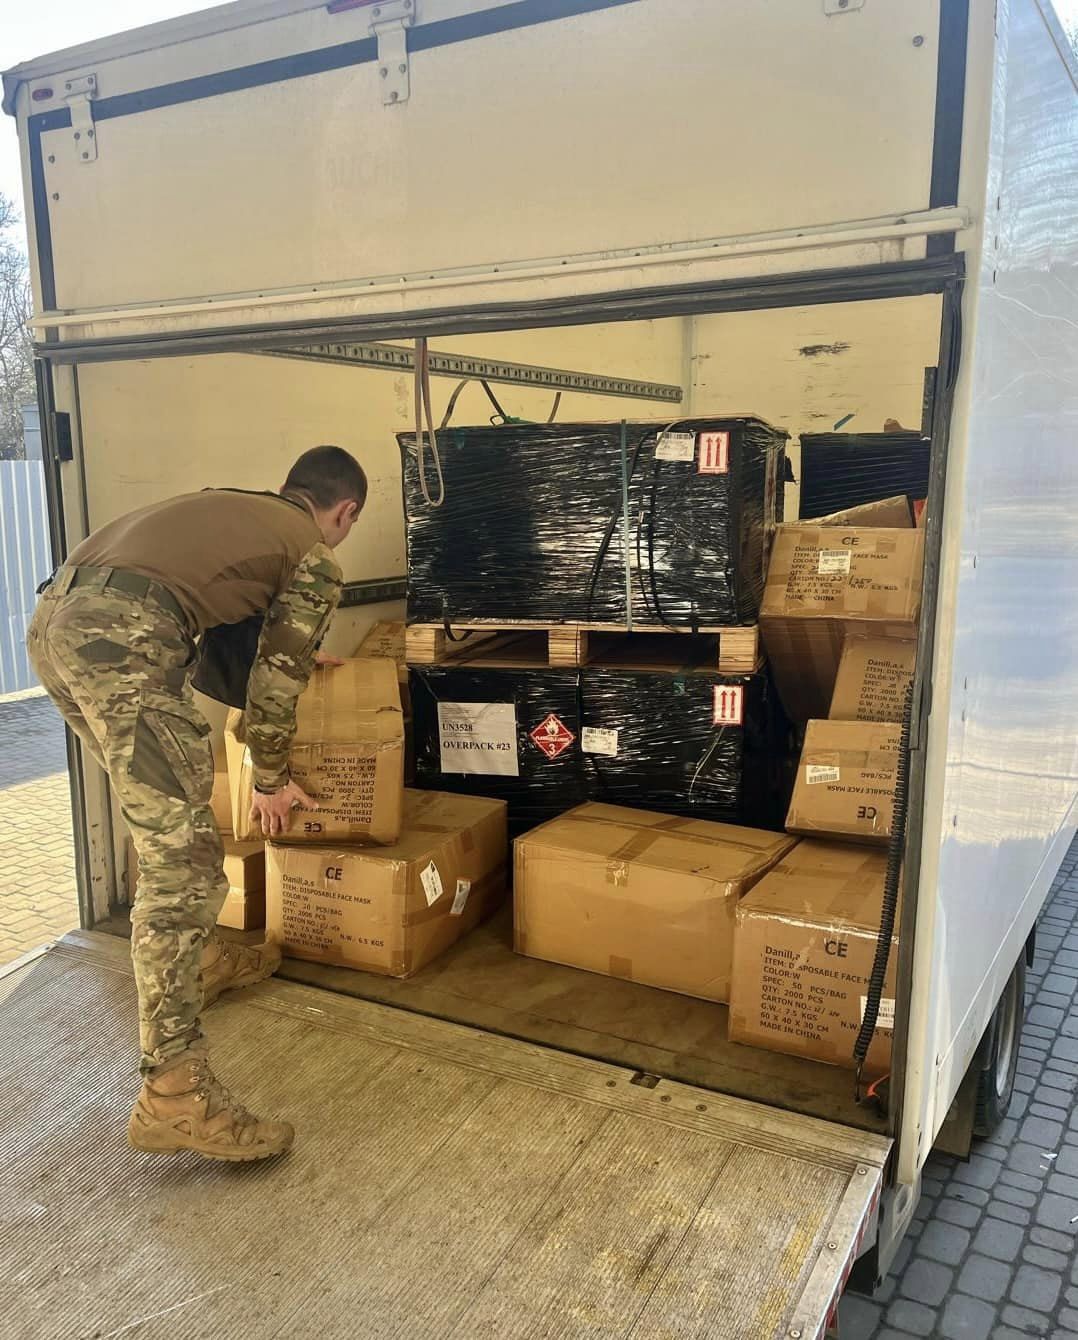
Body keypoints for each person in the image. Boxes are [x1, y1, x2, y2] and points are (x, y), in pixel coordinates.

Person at [27, 446, 367, 1163]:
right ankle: (176, 1097)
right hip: (121, 642)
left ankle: (204, 960)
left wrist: (292, 654)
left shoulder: (235, 507)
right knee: (182, 866)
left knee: (166, 830)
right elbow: (273, 689)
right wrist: (270, 779)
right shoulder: (313, 554)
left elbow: (225, 627)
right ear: (345, 512)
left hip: (54, 625)